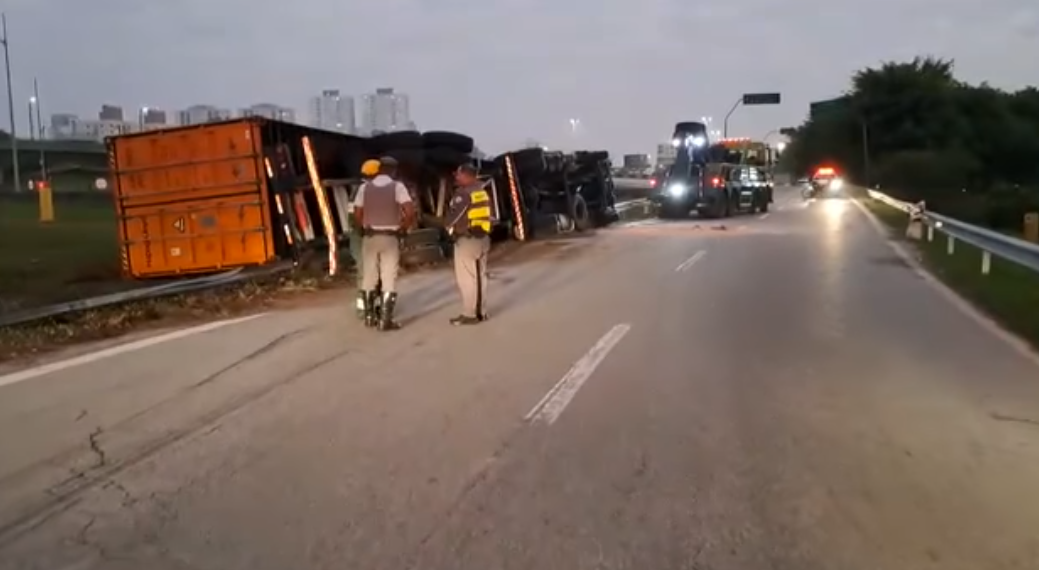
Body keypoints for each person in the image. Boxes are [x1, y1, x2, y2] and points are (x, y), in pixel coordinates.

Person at [353, 157, 415, 330]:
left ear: (379, 169)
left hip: (370, 236)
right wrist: (403, 228)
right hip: (390, 236)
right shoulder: (398, 187)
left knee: (369, 276)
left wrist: (362, 229)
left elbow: (357, 213)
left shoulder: (364, 188)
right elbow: (410, 211)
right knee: (389, 276)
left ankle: (369, 317)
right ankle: (385, 320)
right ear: (394, 170)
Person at [445, 163, 493, 326]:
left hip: (467, 240)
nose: (456, 178)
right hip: (483, 237)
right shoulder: (482, 192)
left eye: (458, 175)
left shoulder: (463, 194)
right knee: (480, 276)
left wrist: (446, 225)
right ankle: (481, 312)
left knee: (467, 278)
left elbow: (453, 217)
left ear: (467, 175)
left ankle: (470, 314)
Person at [351, 159, 381, 319]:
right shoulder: (359, 191)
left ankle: (375, 305)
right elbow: (354, 218)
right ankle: (364, 308)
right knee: (365, 271)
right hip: (361, 237)